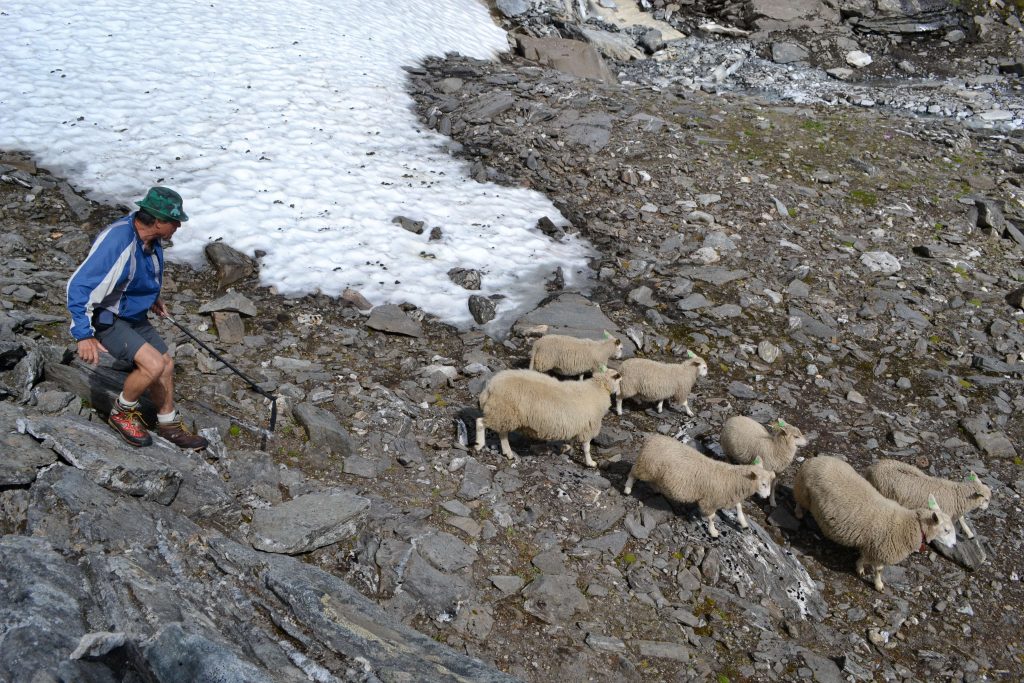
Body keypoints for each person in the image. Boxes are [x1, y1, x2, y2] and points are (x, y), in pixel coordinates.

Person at [66, 186, 208, 450]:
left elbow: (140, 275)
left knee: (165, 364)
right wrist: (83, 334)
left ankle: (168, 424)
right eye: (175, 221)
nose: (178, 226)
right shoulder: (118, 241)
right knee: (152, 365)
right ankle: (121, 413)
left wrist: (151, 298)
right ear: (158, 221)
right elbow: (80, 286)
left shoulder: (152, 242)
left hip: (133, 314)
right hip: (107, 317)